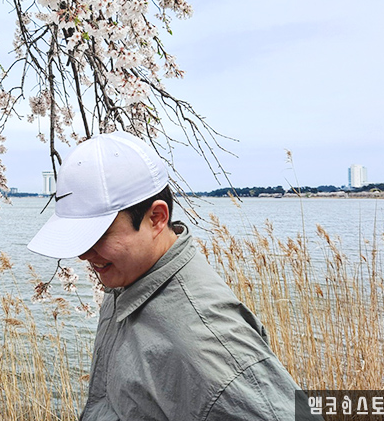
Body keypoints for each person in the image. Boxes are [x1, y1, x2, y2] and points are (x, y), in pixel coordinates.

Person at [28, 131, 313, 421]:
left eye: (98, 235)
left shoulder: (204, 341)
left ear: (156, 218)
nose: (84, 255)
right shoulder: (128, 279)